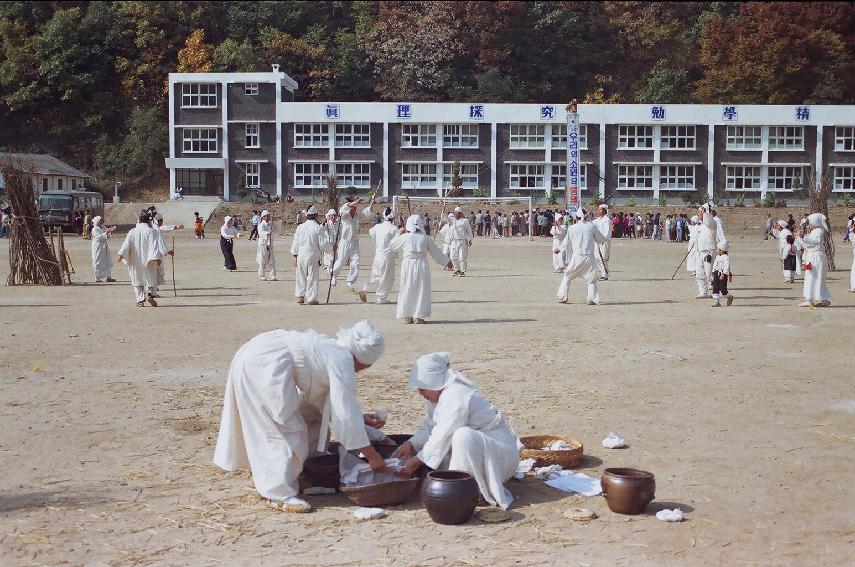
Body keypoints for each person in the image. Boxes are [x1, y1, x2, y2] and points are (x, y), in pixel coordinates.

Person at [213, 320, 388, 512]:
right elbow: (345, 415)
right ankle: (278, 493)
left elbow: (332, 405)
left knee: (312, 419)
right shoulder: (342, 360)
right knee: (281, 429)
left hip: (259, 355)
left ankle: (302, 472)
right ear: (364, 360)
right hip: (264, 365)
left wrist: (360, 418)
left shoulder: (333, 349)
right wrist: (373, 456)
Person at [394, 352, 519, 510]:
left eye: (422, 388)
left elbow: (441, 435)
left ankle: (467, 490)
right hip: (484, 449)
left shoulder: (456, 394)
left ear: (433, 382)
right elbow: (430, 428)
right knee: (444, 449)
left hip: (500, 456)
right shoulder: (440, 397)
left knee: (461, 436)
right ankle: (464, 485)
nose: (420, 393)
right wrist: (410, 444)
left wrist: (415, 462)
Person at [388, 214, 453, 324]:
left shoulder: (405, 237)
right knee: (421, 289)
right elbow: (436, 253)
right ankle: (418, 316)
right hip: (421, 265)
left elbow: (392, 245)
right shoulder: (425, 238)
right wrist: (447, 262)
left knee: (407, 287)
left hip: (407, 265)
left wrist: (399, 233)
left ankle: (407, 315)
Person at [555, 208, 606, 305]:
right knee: (592, 279)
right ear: (586, 216)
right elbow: (600, 239)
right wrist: (603, 241)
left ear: (576, 217)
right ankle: (591, 298)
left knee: (567, 276)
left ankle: (563, 296)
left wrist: (559, 249)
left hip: (577, 257)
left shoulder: (572, 228)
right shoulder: (592, 226)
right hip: (589, 257)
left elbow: (566, 242)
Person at [117, 212, 163, 307]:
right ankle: (150, 295)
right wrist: (155, 258)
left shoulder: (132, 231)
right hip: (148, 260)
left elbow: (127, 244)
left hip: (135, 260)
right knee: (149, 277)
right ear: (148, 221)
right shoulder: (151, 231)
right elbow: (153, 246)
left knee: (137, 279)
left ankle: (140, 301)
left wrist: (121, 254)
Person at [290, 205, 331, 305]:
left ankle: (300, 295)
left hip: (301, 255)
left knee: (300, 276)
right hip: (312, 255)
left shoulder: (300, 227)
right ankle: (312, 298)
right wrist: (330, 248)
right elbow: (323, 244)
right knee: (312, 277)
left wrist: (295, 255)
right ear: (316, 216)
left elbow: (296, 242)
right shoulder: (318, 228)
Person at [331, 196, 374, 290]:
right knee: (341, 261)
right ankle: (333, 276)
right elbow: (344, 208)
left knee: (356, 262)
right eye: (354, 205)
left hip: (355, 242)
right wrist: (355, 202)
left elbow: (367, 212)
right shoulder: (344, 215)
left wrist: (372, 201)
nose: (355, 207)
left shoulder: (358, 215)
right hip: (345, 241)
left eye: (356, 206)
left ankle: (350, 281)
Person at [359, 207, 398, 304]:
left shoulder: (378, 227)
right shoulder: (394, 229)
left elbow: (371, 232)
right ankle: (381, 297)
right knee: (387, 278)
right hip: (388, 257)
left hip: (378, 256)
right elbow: (398, 242)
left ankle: (364, 289)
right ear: (393, 217)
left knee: (375, 275)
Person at [796, 213, 832, 307]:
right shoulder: (814, 232)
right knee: (815, 277)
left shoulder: (819, 231)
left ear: (815, 223)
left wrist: (803, 237)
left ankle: (811, 299)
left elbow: (815, 242)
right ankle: (818, 299)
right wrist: (799, 238)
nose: (809, 225)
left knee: (814, 277)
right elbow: (808, 245)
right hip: (813, 257)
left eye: (810, 223)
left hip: (816, 258)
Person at [694, 203, 720, 299]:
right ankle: (703, 292)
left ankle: (716, 291)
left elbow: (708, 220)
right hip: (700, 251)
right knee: (699, 273)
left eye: (699, 212)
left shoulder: (712, 223)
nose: (698, 214)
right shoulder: (700, 225)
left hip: (708, 251)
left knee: (709, 274)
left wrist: (706, 211)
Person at [149, 214, 174, 298]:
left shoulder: (150, 228)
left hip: (148, 255)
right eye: (161, 220)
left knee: (150, 273)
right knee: (155, 273)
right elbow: (161, 243)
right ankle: (152, 293)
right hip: (156, 254)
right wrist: (168, 251)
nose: (162, 222)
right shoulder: (156, 230)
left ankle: (151, 291)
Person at [448, 206, 473, 277]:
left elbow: (469, 230)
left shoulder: (465, 221)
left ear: (461, 213)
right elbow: (444, 218)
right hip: (454, 241)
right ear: (454, 213)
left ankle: (462, 271)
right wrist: (443, 209)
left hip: (463, 241)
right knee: (453, 256)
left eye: (459, 213)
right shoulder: (451, 220)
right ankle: (456, 270)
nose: (457, 214)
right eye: (456, 213)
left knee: (462, 257)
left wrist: (470, 239)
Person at [90, 216, 116, 283]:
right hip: (98, 246)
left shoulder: (104, 227)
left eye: (102, 220)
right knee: (97, 260)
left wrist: (111, 231)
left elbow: (107, 236)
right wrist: (107, 232)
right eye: (100, 220)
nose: (102, 221)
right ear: (97, 221)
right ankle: (97, 277)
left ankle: (108, 277)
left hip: (104, 246)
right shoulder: (94, 229)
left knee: (107, 260)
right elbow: (98, 237)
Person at [710, 241, 733, 307]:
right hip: (716, 273)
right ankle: (716, 302)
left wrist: (724, 274)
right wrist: (713, 274)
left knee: (723, 289)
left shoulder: (726, 257)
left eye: (718, 249)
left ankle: (729, 297)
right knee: (715, 288)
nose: (717, 250)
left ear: (722, 250)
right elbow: (715, 265)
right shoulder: (717, 257)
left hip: (722, 274)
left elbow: (726, 266)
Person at [256, 210, 277, 281]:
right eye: (267, 216)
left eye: (269, 216)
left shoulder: (271, 223)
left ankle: (273, 275)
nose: (268, 217)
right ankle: (262, 275)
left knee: (272, 260)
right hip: (263, 244)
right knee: (262, 259)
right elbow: (260, 233)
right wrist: (267, 233)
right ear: (263, 217)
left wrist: (275, 220)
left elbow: (277, 227)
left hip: (270, 244)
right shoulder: (261, 225)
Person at [593, 204, 611, 281]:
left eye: (600, 209)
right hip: (597, 241)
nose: (599, 211)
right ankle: (603, 273)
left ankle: (605, 275)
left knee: (603, 258)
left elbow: (607, 232)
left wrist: (602, 239)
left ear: (604, 211)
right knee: (597, 258)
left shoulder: (607, 220)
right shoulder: (597, 219)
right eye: (599, 209)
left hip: (603, 241)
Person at [775, 219, 795, 283]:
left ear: (781, 226)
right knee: (784, 263)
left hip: (788, 249)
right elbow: (777, 237)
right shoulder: (780, 231)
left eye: (778, 225)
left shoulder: (786, 231)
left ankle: (789, 277)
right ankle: (787, 276)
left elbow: (791, 239)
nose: (776, 226)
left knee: (788, 263)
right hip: (782, 249)